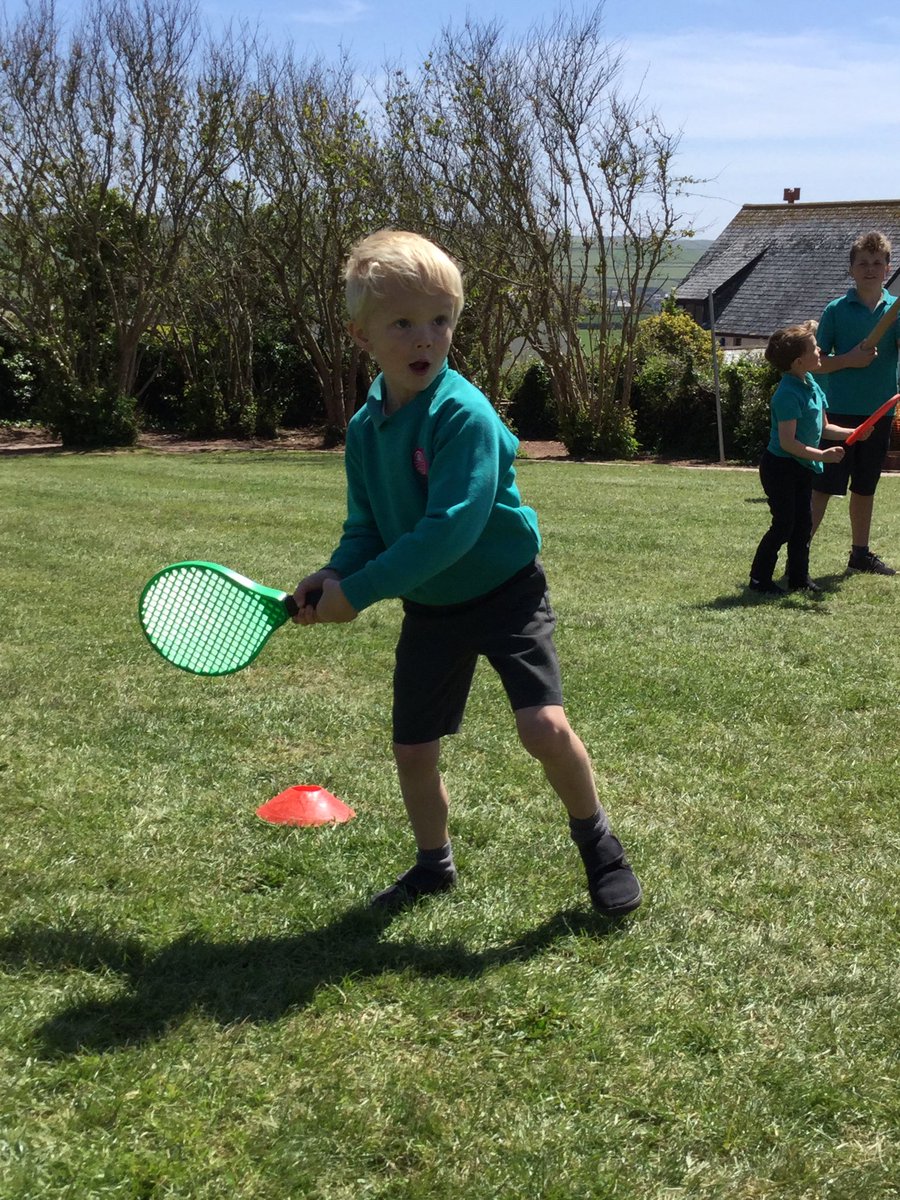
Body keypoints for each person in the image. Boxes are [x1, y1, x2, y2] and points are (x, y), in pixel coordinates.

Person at [292, 229, 641, 917]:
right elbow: (368, 525)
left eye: (441, 320)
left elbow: (449, 528)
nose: (427, 338)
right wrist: (335, 570)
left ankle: (600, 844)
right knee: (413, 749)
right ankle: (434, 865)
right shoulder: (366, 428)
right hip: (431, 609)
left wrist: (356, 594)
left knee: (542, 727)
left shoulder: (464, 415)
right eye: (403, 323)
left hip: (507, 593)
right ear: (362, 337)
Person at [749, 321, 865, 595]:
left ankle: (799, 579)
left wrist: (854, 432)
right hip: (780, 467)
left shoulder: (811, 383)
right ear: (800, 361)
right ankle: (759, 579)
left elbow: (824, 428)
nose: (821, 350)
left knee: (803, 526)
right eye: (815, 348)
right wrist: (822, 455)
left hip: (802, 466)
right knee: (784, 524)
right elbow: (789, 443)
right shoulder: (787, 394)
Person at [811, 230, 900, 575]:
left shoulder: (894, 312)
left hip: (880, 411)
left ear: (888, 267)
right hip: (839, 412)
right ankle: (798, 554)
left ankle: (859, 554)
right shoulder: (836, 310)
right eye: (863, 263)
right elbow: (815, 362)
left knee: (865, 486)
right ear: (851, 269)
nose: (870, 269)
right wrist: (847, 359)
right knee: (824, 487)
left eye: (878, 263)